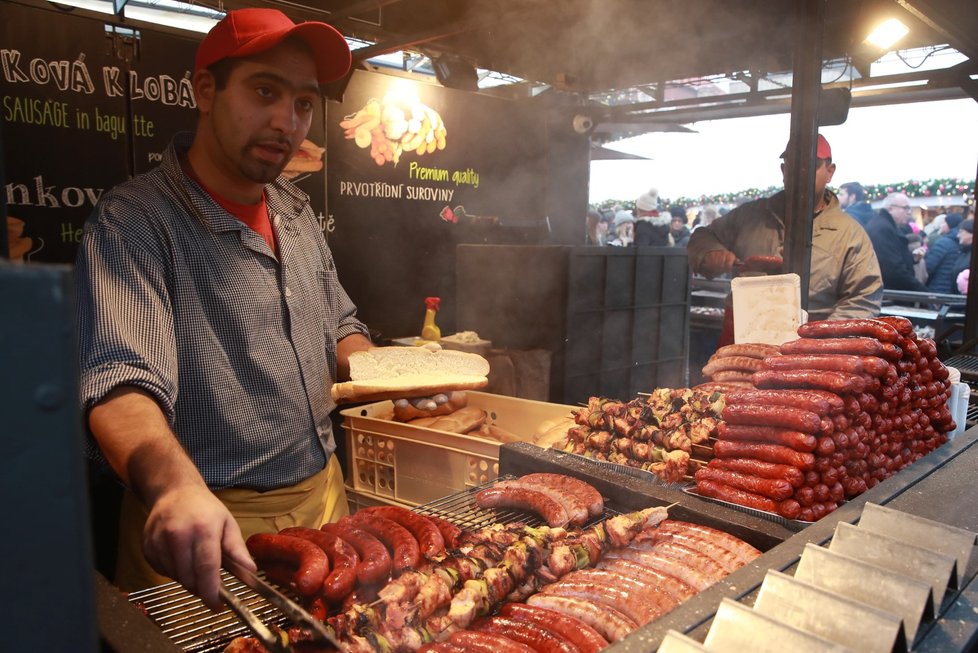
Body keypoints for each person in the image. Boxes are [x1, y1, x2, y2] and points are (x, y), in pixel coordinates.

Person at [74, 8, 374, 610]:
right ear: (205, 90)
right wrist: (175, 489)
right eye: (265, 91)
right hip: (209, 528)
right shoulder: (135, 222)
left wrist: (399, 380)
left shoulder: (294, 210)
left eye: (304, 104)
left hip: (325, 501)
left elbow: (341, 327)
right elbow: (119, 384)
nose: (286, 121)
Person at [688, 134, 883, 326]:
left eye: (811, 165)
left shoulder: (850, 234)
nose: (802, 172)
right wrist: (708, 252)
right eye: (794, 164)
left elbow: (863, 298)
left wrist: (820, 336)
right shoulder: (748, 216)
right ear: (783, 170)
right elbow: (703, 236)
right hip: (743, 330)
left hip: (812, 342)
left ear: (830, 172)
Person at [866, 193, 929, 292]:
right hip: (889, 295)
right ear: (891, 209)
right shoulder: (883, 229)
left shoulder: (883, 225)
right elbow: (892, 270)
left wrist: (911, 259)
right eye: (906, 208)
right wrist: (923, 291)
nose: (909, 213)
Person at [924, 212, 966, 293]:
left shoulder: (943, 243)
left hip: (938, 288)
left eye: (944, 222)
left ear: (949, 225)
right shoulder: (961, 241)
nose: (941, 225)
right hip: (955, 289)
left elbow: (929, 266)